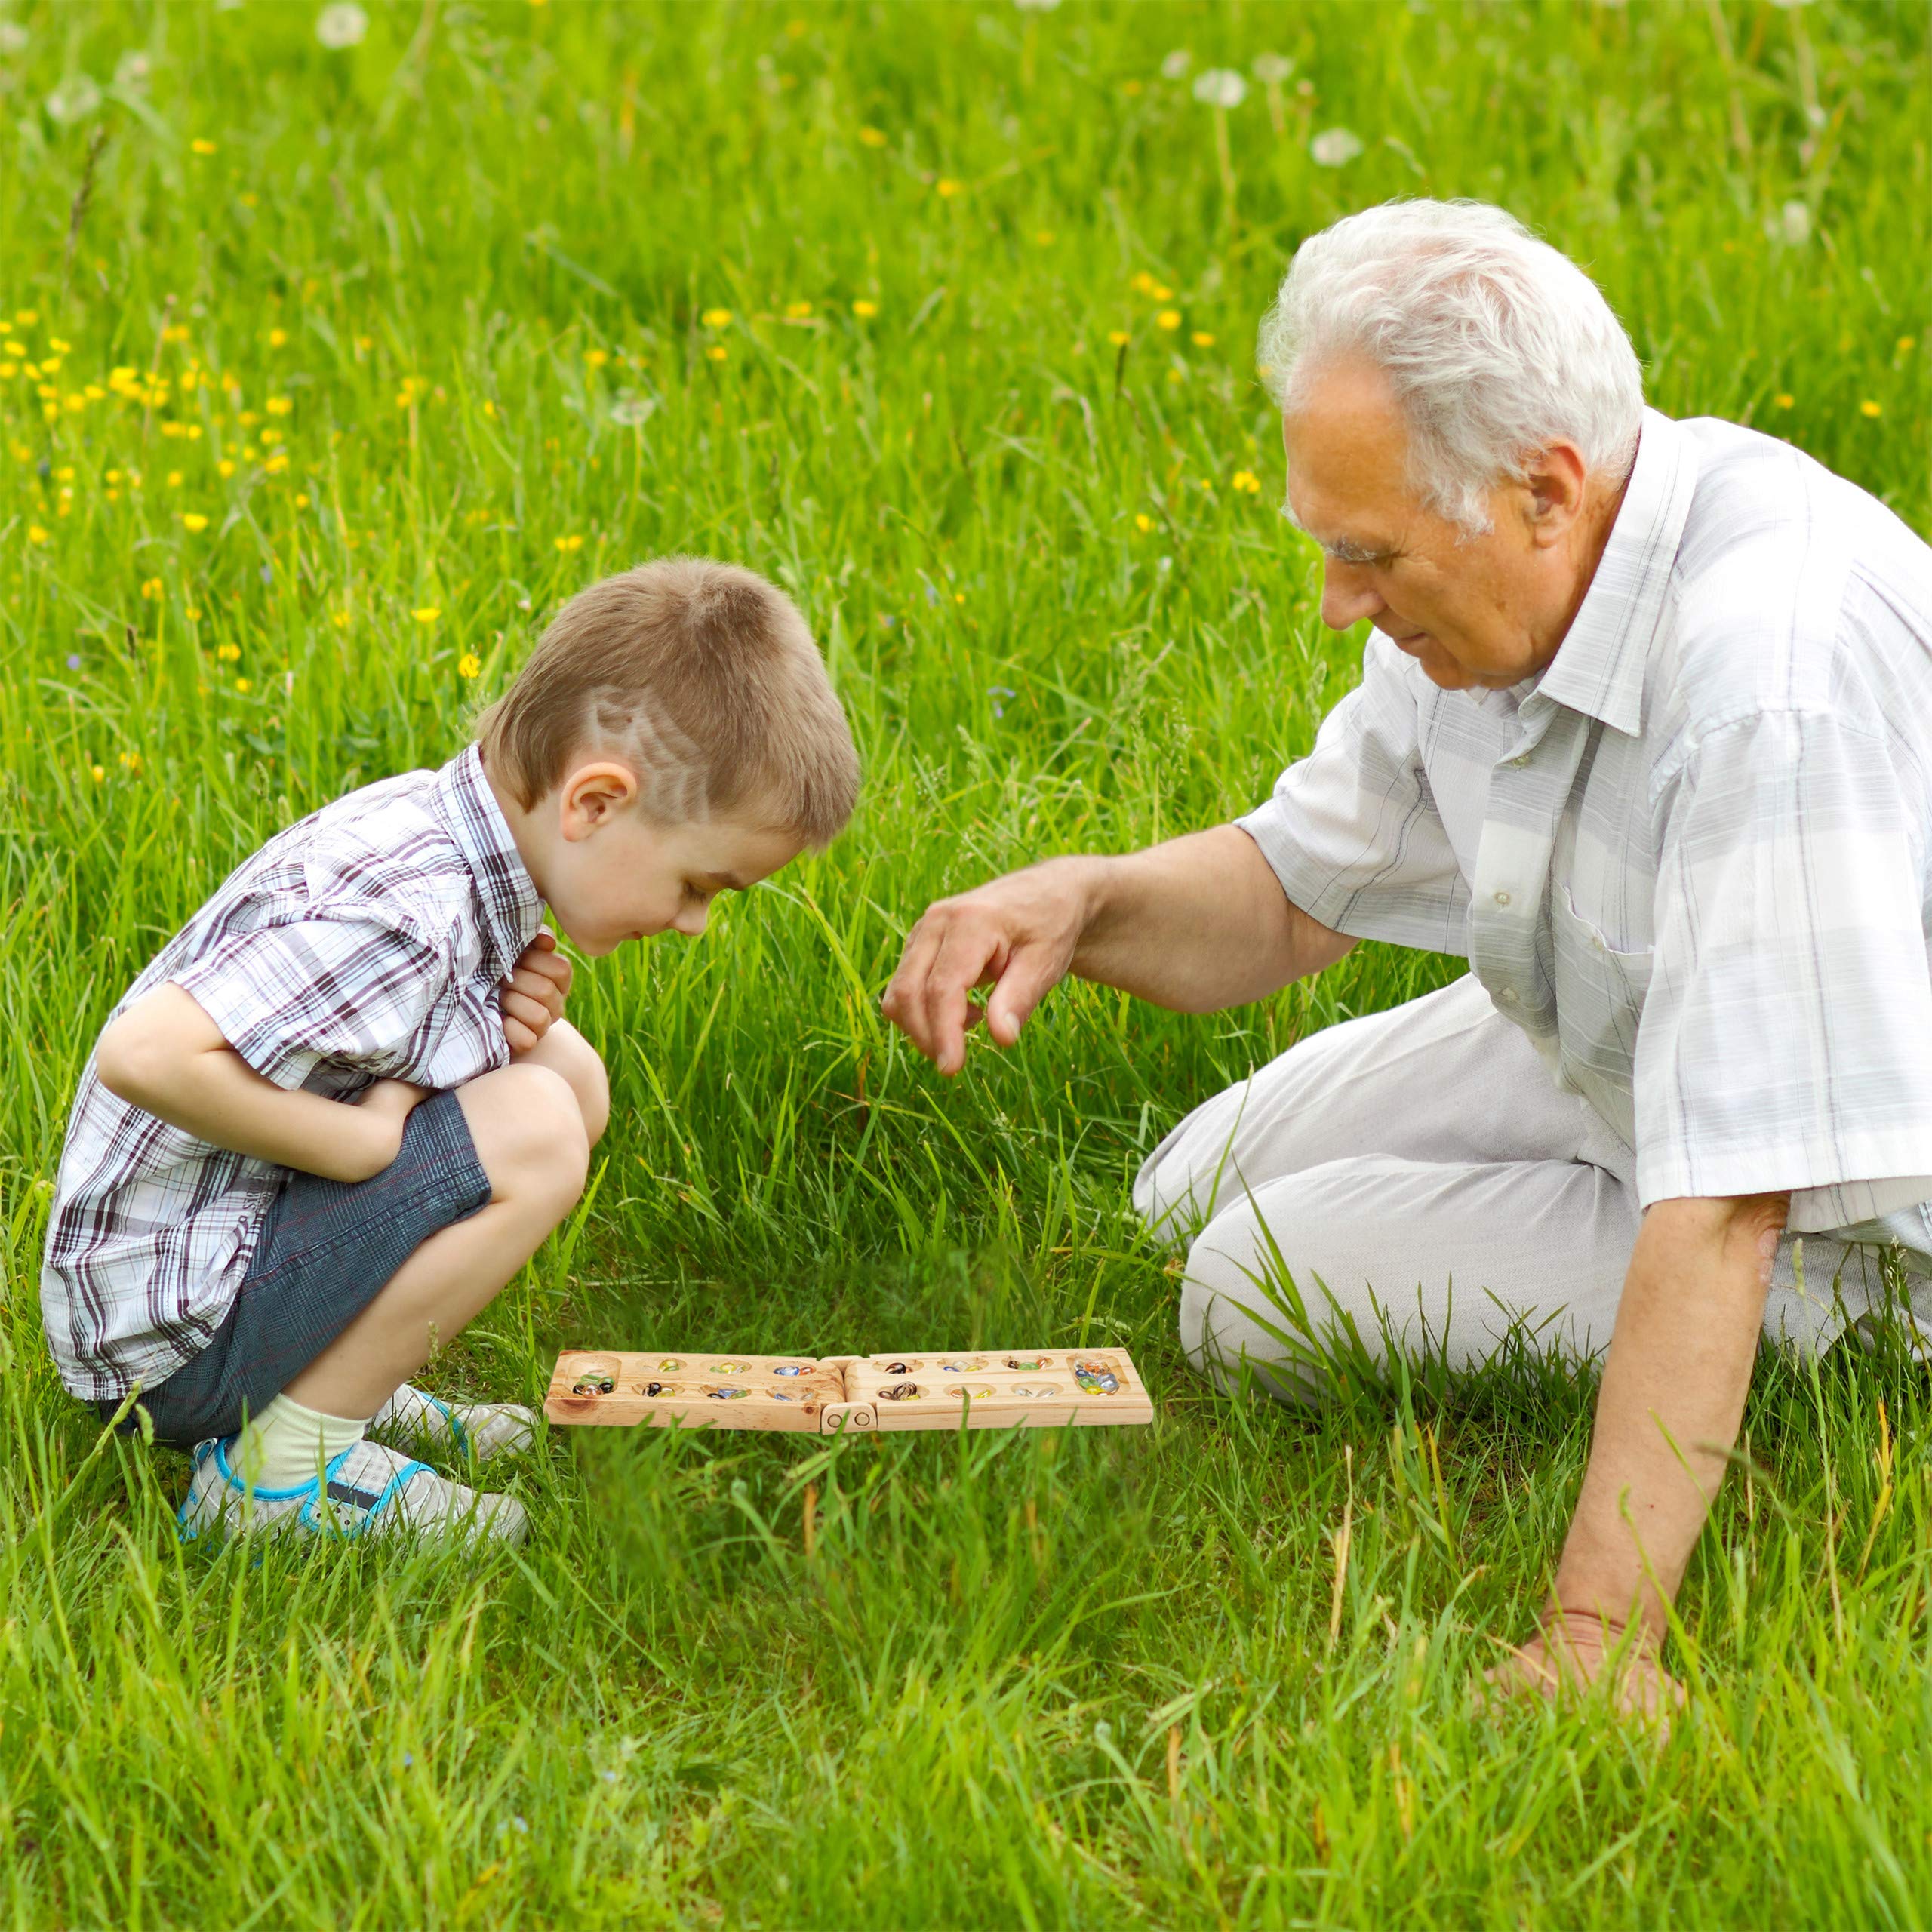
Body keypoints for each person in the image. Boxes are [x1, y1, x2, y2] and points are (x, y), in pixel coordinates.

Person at [881, 198, 1932, 1714]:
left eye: (1367, 556)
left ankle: (1857, 1351)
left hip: (1854, 1199)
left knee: (1246, 1294)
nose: (1337, 607)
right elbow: (1291, 893)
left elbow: (1727, 1203)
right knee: (1187, 1191)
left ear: (1542, 490)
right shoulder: (1518, 570)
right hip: (1615, 1024)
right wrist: (1081, 902)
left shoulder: (1767, 686)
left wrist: (1598, 1638)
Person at [43, 557, 859, 1546]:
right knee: (537, 1130)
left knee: (563, 1075)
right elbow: (143, 1053)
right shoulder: (410, 912)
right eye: (698, 886)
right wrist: (361, 1144)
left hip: (220, 1260)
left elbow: (363, 1043)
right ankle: (274, 1475)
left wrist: (480, 1027)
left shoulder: (456, 842)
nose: (694, 922)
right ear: (595, 804)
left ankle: (338, 1377)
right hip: (168, 1347)